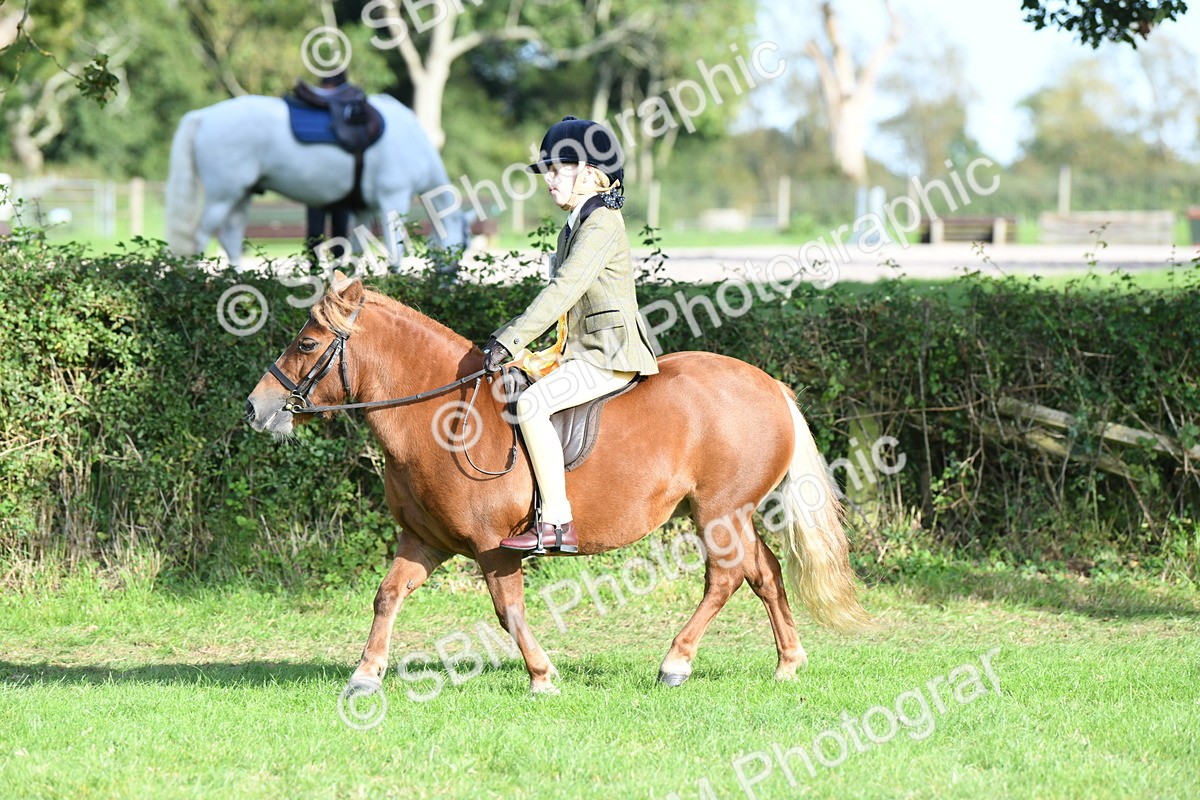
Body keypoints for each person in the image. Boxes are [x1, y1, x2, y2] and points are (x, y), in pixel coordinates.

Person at [481, 116, 660, 555]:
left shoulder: (601, 223)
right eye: (547, 170)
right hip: (581, 350)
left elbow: (562, 292)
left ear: (591, 173)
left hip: (609, 356)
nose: (548, 179)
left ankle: (557, 523)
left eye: (558, 168)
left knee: (532, 403)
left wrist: (509, 341)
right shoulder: (575, 224)